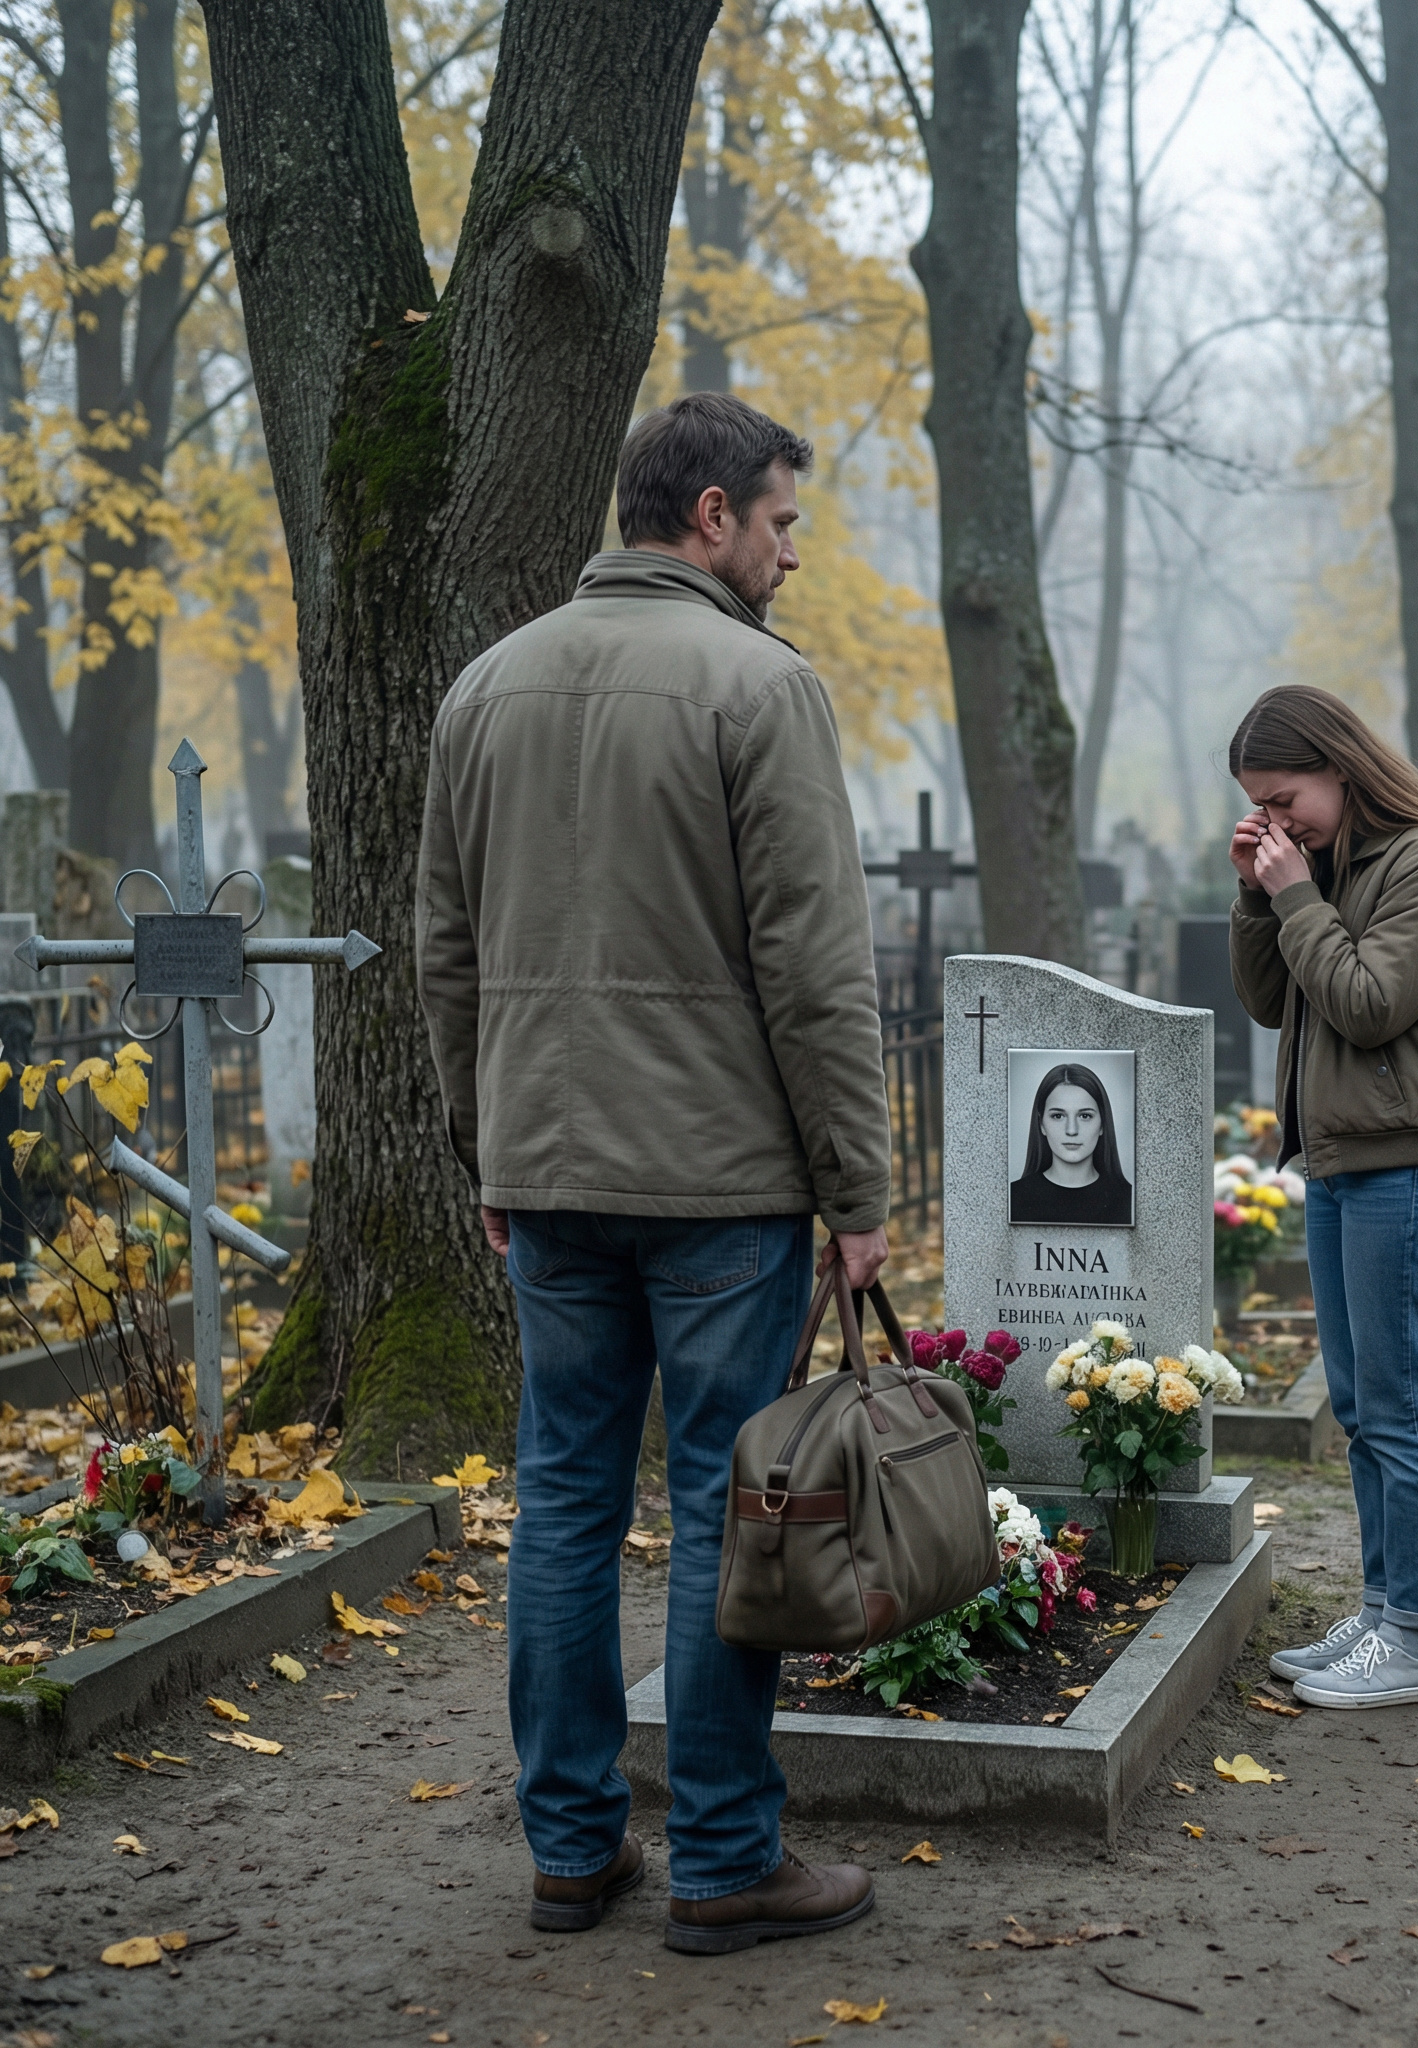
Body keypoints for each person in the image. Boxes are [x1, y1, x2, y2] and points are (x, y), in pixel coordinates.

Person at [416, 392, 891, 1953]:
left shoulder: (483, 689)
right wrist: (861, 1193)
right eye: (778, 524)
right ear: (708, 519)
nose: (790, 556)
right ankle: (725, 1863)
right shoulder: (759, 687)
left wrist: (487, 1146)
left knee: (559, 1504)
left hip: (547, 1173)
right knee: (719, 1512)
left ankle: (568, 1853)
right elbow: (817, 970)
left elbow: (446, 955)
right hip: (718, 1189)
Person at [1226, 684, 1418, 1710]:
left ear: (1340, 767)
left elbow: (1368, 1004)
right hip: (1344, 1162)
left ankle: (1416, 1641)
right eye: (1258, 802)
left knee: (1398, 1405)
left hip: (1410, 1166)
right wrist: (1260, 893)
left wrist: (1295, 891)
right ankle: (1387, 1606)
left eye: (1284, 794)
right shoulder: (1331, 864)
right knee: (1358, 1406)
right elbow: (1270, 1003)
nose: (1276, 817)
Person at [1009, 1062, 1133, 1225]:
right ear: (1041, 1125)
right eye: (1058, 1116)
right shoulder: (1011, 1198)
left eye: (1085, 1116)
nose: (1072, 1130)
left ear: (1103, 1124)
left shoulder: (1131, 1200)